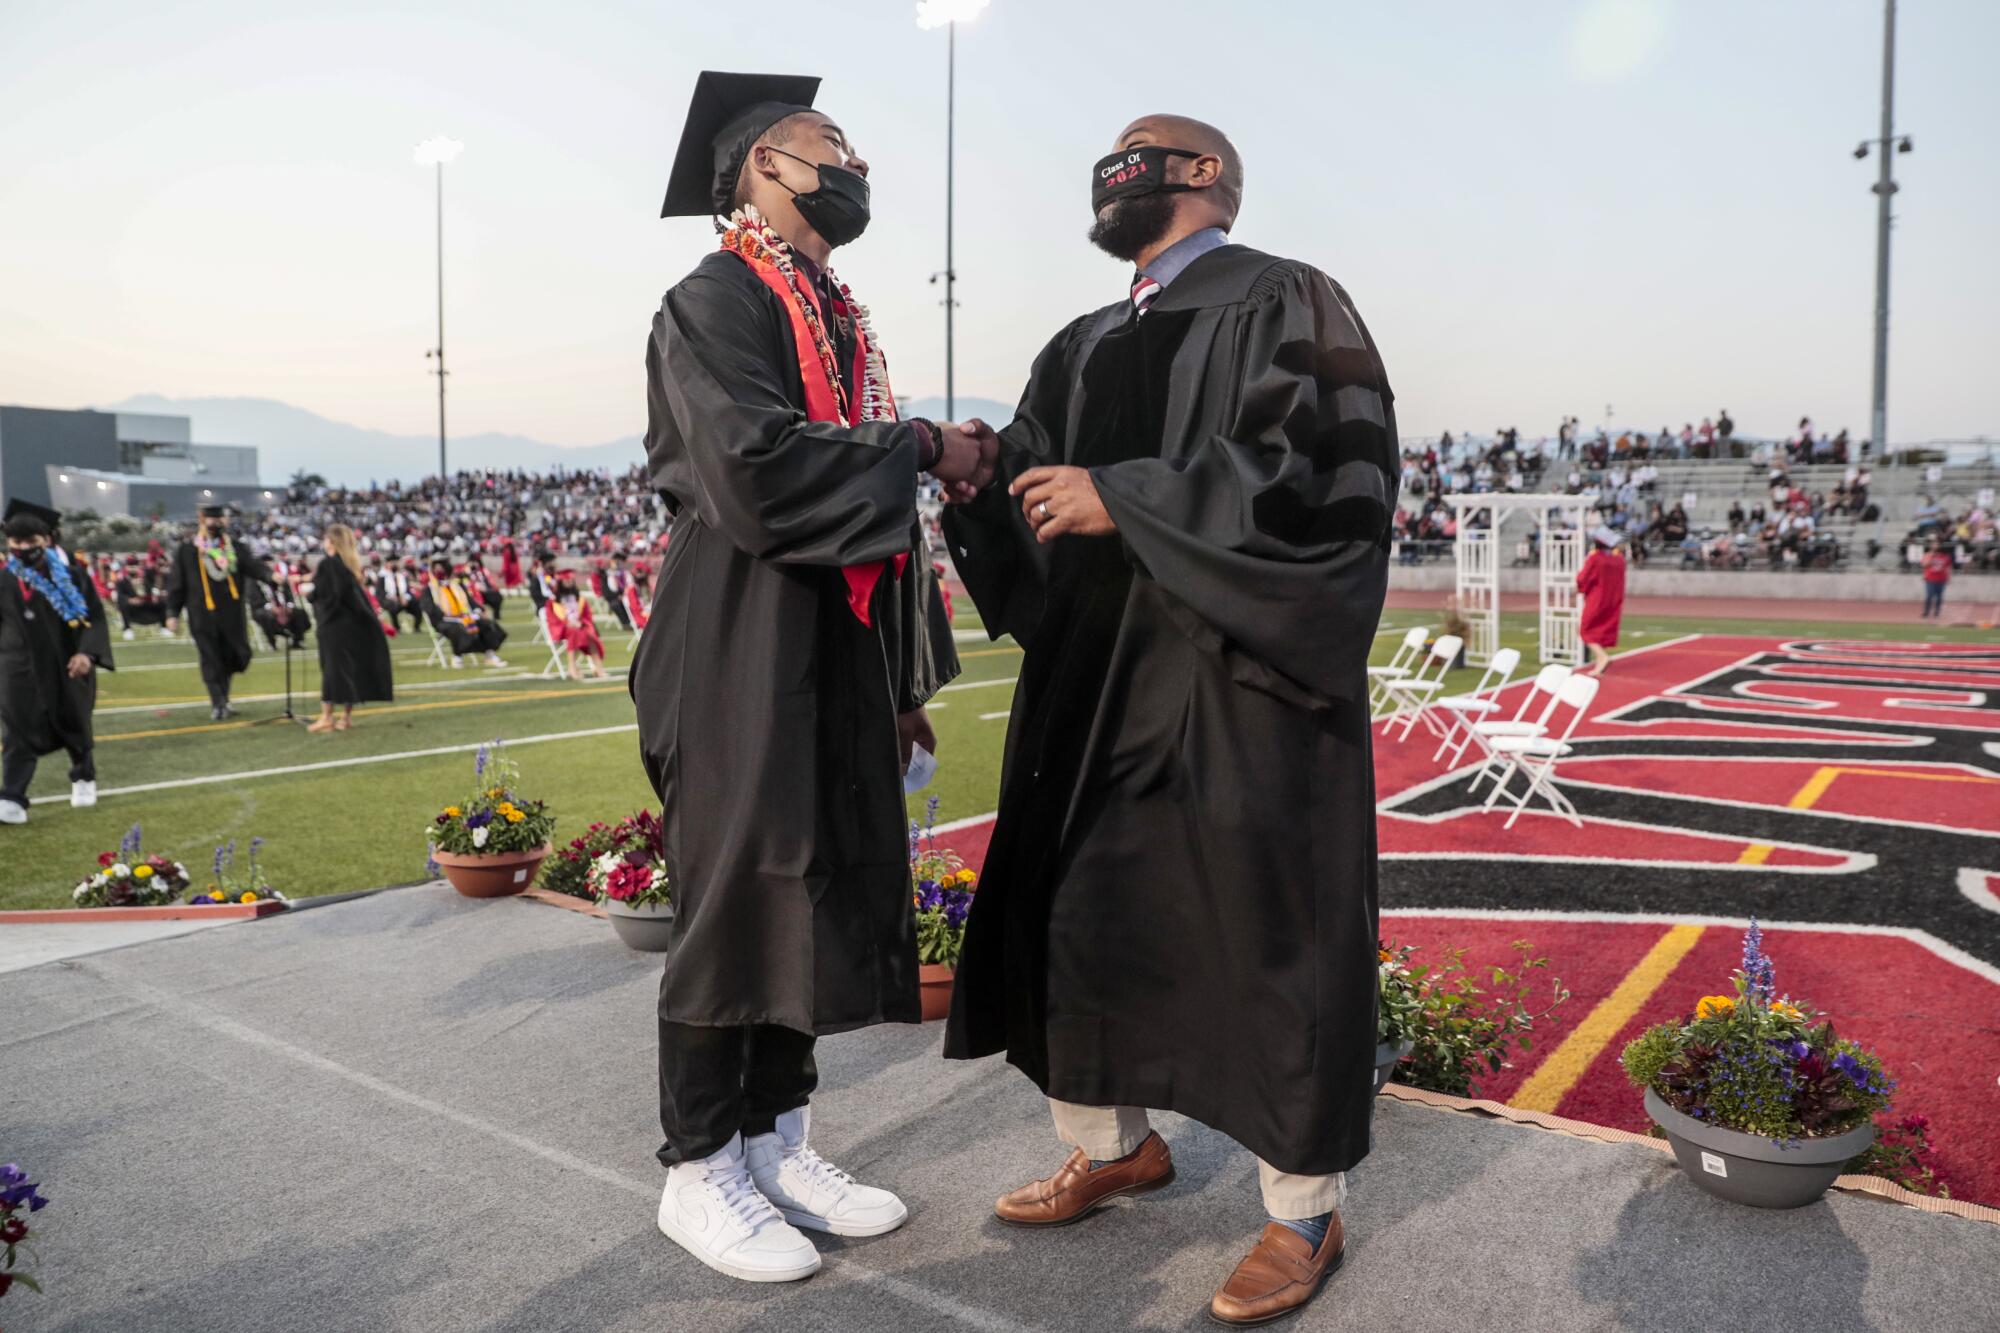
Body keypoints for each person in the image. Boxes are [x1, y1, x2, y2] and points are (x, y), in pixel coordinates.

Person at [940, 113, 1396, 1327]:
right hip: (1094, 680)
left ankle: (1303, 1212)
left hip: (1234, 677)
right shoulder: (1081, 339)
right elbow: (1037, 477)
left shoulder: (1291, 299)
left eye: (1139, 147)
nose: (1110, 165)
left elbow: (1319, 481)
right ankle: (1114, 1145)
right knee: (1081, 911)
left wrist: (1126, 497)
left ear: (1204, 176)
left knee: (1262, 932)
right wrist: (977, 471)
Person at [634, 70, 990, 1283]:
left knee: (811, 883)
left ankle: (775, 1137)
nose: (854, 166)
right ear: (763, 170)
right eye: (830, 146)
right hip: (736, 637)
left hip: (829, 640)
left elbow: (869, 498)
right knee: (736, 896)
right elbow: (755, 468)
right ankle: (696, 1165)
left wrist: (897, 681)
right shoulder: (712, 299)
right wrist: (920, 446)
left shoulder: (833, 310)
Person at [1, 501, 113, 822]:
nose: (22, 549)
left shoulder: (73, 577)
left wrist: (87, 654)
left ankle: (82, 775)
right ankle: (12, 796)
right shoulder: (4, 580)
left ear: (47, 540)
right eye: (16, 543)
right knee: (15, 729)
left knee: (74, 720)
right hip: (16, 668)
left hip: (64, 663)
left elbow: (94, 618)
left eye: (30, 542)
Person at [165, 504, 270, 720]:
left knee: (234, 654)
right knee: (210, 657)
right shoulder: (188, 551)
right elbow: (177, 584)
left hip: (232, 614)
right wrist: (172, 613)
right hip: (201, 614)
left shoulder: (236, 549)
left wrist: (271, 576)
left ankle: (224, 698)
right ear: (202, 521)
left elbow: (253, 567)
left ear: (226, 521)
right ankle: (218, 702)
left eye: (220, 519)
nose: (216, 523)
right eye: (211, 520)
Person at [306, 524, 394, 732]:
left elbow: (325, 595)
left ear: (332, 542)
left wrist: (310, 594)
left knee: (331, 670)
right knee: (348, 671)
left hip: (333, 626)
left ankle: (327, 717)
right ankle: (345, 718)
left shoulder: (328, 565)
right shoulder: (349, 567)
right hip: (351, 626)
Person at [421, 558, 508, 667]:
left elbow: (470, 602)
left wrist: (478, 610)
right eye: (437, 568)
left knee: (487, 624)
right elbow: (429, 608)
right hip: (443, 621)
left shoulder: (457, 585)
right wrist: (446, 615)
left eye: (442, 568)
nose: (440, 571)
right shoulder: (429, 589)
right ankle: (457, 657)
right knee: (458, 628)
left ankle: (489, 654)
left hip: (464, 617)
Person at [1578, 526, 1628, 674]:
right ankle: (1600, 662)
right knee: (1602, 630)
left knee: (1585, 630)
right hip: (1613, 599)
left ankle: (1602, 657)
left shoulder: (1595, 558)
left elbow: (1583, 578)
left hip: (1597, 598)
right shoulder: (1619, 559)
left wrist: (1580, 587)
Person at [543, 571, 608, 680]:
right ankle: (572, 666)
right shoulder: (553, 600)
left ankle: (598, 667)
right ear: (560, 582)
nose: (569, 582)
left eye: (571, 580)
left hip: (579, 626)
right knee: (575, 632)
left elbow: (587, 615)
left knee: (589, 634)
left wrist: (581, 623)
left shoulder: (579, 598)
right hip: (563, 628)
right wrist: (567, 623)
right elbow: (552, 619)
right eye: (566, 580)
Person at [249, 557, 312, 651]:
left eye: (270, 564)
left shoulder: (278, 578)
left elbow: (289, 595)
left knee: (300, 613)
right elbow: (254, 599)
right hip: (262, 609)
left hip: (284, 607)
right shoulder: (253, 581)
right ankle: (272, 643)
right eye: (266, 564)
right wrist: (271, 608)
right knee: (267, 616)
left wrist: (289, 606)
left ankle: (297, 641)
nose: (269, 566)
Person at [1920, 539, 1953, 618]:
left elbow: (1949, 567)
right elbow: (1924, 565)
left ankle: (1937, 612)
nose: (1935, 546)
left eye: (1937, 544)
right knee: (1929, 596)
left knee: (1939, 597)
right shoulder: (1927, 555)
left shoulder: (1945, 556)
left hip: (1941, 579)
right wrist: (1931, 556)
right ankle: (1926, 612)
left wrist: (1949, 576)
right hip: (1930, 578)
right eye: (1934, 545)